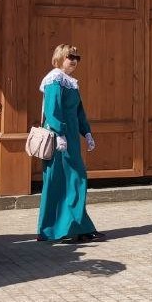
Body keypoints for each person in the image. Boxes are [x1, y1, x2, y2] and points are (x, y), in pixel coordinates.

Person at [36, 44, 102, 243]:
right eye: (69, 56)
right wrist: (59, 133)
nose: (73, 60)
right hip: (59, 139)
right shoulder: (54, 79)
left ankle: (78, 225)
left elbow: (78, 112)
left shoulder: (71, 82)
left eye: (76, 57)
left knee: (75, 179)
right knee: (63, 180)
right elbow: (52, 109)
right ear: (59, 57)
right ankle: (56, 228)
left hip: (71, 138)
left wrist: (87, 132)